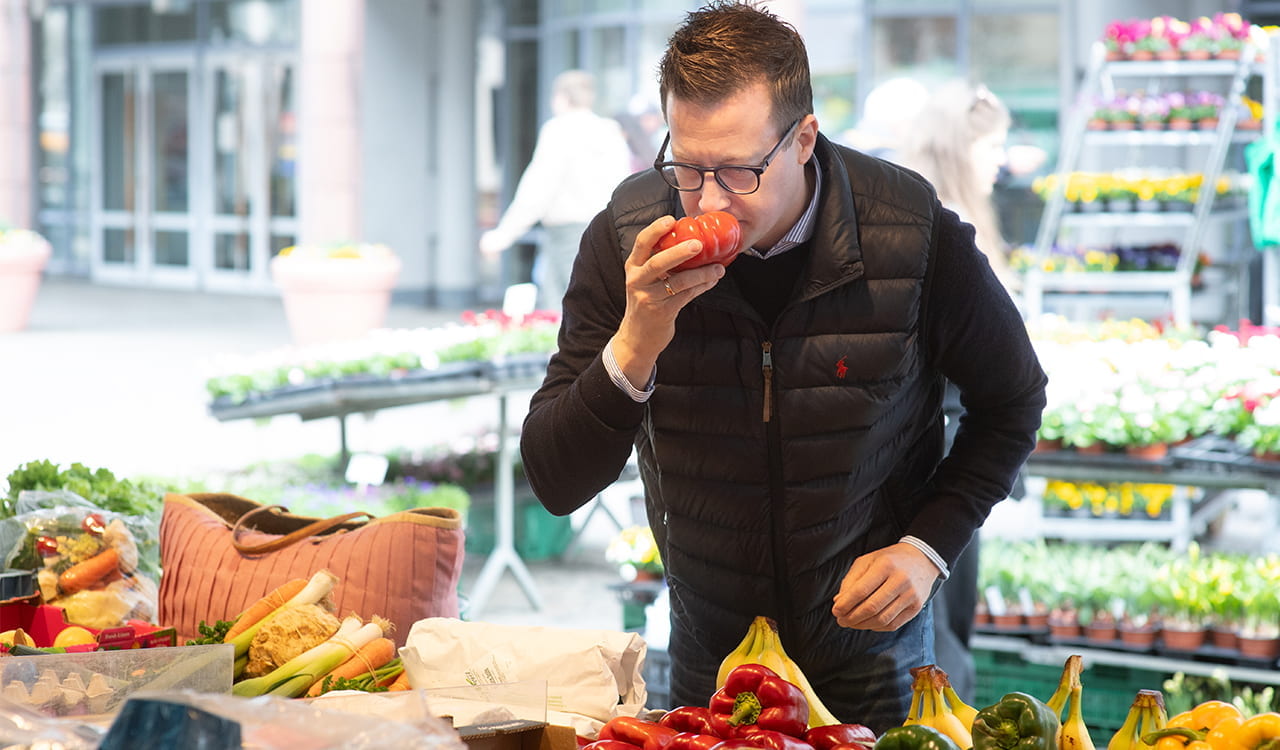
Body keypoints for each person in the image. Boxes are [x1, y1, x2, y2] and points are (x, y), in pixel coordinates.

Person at [519, 1, 1047, 733]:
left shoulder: (911, 230)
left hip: (875, 659)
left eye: (737, 172)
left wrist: (928, 545)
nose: (706, 199)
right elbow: (555, 480)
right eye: (686, 166)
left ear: (802, 139)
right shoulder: (626, 235)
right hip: (715, 659)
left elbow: (1014, 400)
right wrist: (637, 340)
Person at [896, 79, 1021, 704]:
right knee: (939, 632)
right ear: (957, 147)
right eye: (991, 144)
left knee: (935, 623)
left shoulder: (914, 212)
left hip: (938, 442)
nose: (998, 158)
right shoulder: (945, 226)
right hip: (940, 446)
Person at [480, 70, 633, 312]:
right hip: (607, 229)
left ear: (561, 98)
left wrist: (503, 235)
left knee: (564, 311)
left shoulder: (558, 130)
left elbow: (538, 188)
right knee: (598, 306)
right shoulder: (609, 131)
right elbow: (624, 183)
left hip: (567, 234)